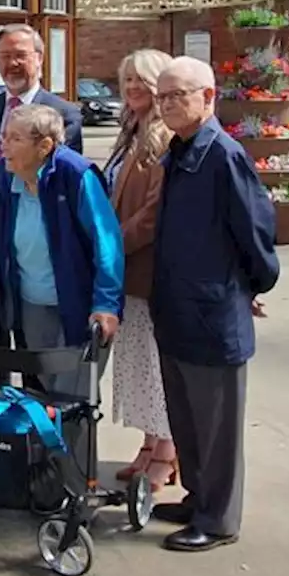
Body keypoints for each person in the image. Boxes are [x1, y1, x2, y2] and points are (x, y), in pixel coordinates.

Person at [150, 56, 279, 552]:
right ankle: (197, 496)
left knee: (216, 426)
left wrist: (251, 287)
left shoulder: (223, 155)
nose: (167, 105)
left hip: (213, 311)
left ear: (208, 97)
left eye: (178, 95)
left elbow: (255, 232)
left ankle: (219, 518)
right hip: (176, 309)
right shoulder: (180, 151)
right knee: (186, 418)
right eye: (163, 96)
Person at [0, 104, 123, 399]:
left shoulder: (76, 175)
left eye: (15, 139)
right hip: (31, 304)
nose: (4, 147)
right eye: (4, 138)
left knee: (74, 397)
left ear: (45, 145)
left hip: (77, 304)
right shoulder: (7, 173)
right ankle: (47, 447)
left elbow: (107, 243)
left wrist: (107, 304)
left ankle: (71, 447)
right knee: (47, 392)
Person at [0, 24, 82, 299]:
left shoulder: (63, 115)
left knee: (33, 339)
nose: (12, 63)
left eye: (20, 55)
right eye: (4, 56)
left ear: (39, 58)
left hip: (37, 255)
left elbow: (59, 187)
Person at [103, 49, 178, 489]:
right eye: (127, 79)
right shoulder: (132, 131)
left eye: (142, 80)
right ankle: (150, 442)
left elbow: (153, 214)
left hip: (146, 268)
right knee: (138, 365)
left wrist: (113, 244)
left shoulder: (164, 135)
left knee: (155, 365)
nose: (133, 88)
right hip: (126, 271)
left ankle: (167, 451)